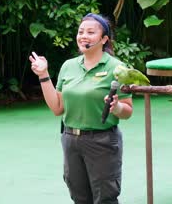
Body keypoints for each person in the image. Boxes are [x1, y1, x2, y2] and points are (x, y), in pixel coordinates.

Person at [29, 13, 133, 204]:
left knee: (105, 197)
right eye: (80, 31)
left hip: (102, 141)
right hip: (70, 140)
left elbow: (127, 110)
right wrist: (43, 75)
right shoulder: (69, 66)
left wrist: (116, 106)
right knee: (79, 196)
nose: (83, 36)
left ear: (104, 39)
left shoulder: (116, 67)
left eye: (91, 32)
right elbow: (57, 107)